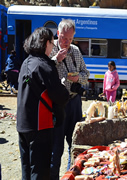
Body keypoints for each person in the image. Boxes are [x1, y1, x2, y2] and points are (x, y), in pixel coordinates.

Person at [16, 27, 69, 180]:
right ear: (46, 43)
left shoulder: (26, 62)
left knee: (26, 170)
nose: (53, 47)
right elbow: (60, 95)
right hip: (40, 125)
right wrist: (65, 89)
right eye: (52, 43)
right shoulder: (43, 65)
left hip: (23, 124)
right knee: (40, 172)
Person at [49, 19, 90, 180]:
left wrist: (77, 79)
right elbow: (41, 72)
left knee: (75, 144)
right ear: (57, 34)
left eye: (70, 39)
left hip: (74, 103)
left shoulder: (75, 51)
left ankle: (69, 176)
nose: (66, 42)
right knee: (56, 146)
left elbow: (86, 75)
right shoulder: (50, 50)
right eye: (63, 38)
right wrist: (56, 60)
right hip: (58, 104)